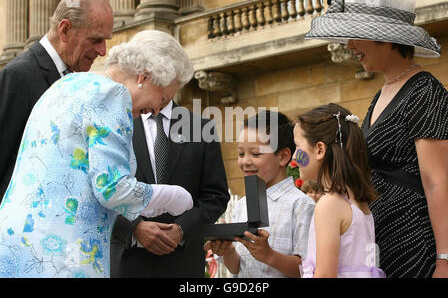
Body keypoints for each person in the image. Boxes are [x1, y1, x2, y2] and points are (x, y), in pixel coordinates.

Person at [0, 30, 196, 278]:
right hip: (61, 255)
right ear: (144, 77)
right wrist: (169, 195)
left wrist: (145, 207)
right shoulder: (113, 94)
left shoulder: (68, 83)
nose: (157, 110)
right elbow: (111, 188)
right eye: (164, 98)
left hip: (16, 245)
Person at [305, 0, 448, 278]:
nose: (349, 45)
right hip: (380, 241)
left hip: (415, 241)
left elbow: (437, 181)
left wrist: (444, 259)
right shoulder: (381, 93)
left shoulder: (424, 90)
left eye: (357, 35)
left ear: (386, 38)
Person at [110, 32, 230, 278]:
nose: (171, 92)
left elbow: (216, 196)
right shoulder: (113, 123)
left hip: (182, 265)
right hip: (126, 263)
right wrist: (136, 228)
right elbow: (98, 191)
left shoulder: (200, 127)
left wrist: (181, 230)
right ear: (146, 73)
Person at [0, 0, 114, 201]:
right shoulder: (19, 75)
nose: (103, 51)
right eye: (96, 39)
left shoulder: (76, 78)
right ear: (65, 30)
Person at [204, 110, 315, 278]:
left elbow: (308, 269)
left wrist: (269, 255)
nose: (245, 161)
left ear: (283, 156)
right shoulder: (242, 204)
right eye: (241, 154)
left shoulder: (301, 204)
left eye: (255, 154)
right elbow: (236, 269)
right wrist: (227, 252)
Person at [295, 103, 384, 278]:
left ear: (319, 149)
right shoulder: (356, 202)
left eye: (297, 146)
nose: (294, 155)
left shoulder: (330, 204)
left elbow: (325, 275)